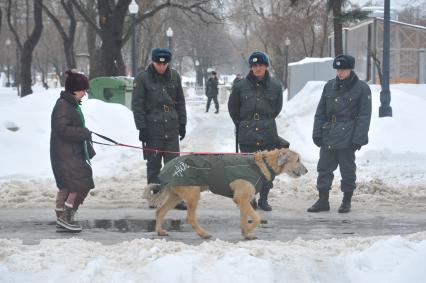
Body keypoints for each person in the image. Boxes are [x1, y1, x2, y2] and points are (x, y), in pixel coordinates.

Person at [308, 54, 372, 213]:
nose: (340, 73)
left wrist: (358, 139)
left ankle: (346, 201)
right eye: (337, 69)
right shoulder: (329, 86)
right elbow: (320, 112)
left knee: (347, 170)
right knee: (323, 168)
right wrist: (317, 133)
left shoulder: (362, 88)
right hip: (329, 133)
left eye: (343, 69)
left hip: (348, 136)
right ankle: (323, 201)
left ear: (350, 69)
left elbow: (364, 117)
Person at [132, 48, 187, 210]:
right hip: (152, 128)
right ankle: (154, 196)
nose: (161, 67)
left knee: (173, 164)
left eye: (164, 64)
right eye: (158, 63)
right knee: (154, 164)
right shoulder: (142, 78)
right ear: (153, 62)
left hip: (171, 126)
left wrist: (182, 123)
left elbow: (180, 102)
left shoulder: (174, 76)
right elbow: (137, 105)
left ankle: (175, 198)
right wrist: (141, 127)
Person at [228, 51, 283, 211]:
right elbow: (233, 109)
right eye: (254, 65)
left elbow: (276, 109)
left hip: (268, 133)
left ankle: (264, 199)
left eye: (261, 65)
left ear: (266, 66)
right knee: (249, 168)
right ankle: (250, 197)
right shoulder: (240, 86)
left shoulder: (275, 85)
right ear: (251, 67)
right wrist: (244, 124)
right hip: (247, 133)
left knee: (268, 167)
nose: (258, 68)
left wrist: (265, 121)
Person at [50, 70, 96, 232]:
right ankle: (66, 217)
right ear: (75, 90)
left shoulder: (69, 104)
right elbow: (61, 129)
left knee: (68, 185)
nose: (85, 94)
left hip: (68, 153)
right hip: (66, 155)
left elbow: (71, 128)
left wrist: (86, 142)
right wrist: (83, 133)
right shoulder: (64, 106)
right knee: (81, 182)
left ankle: (62, 218)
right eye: (84, 90)